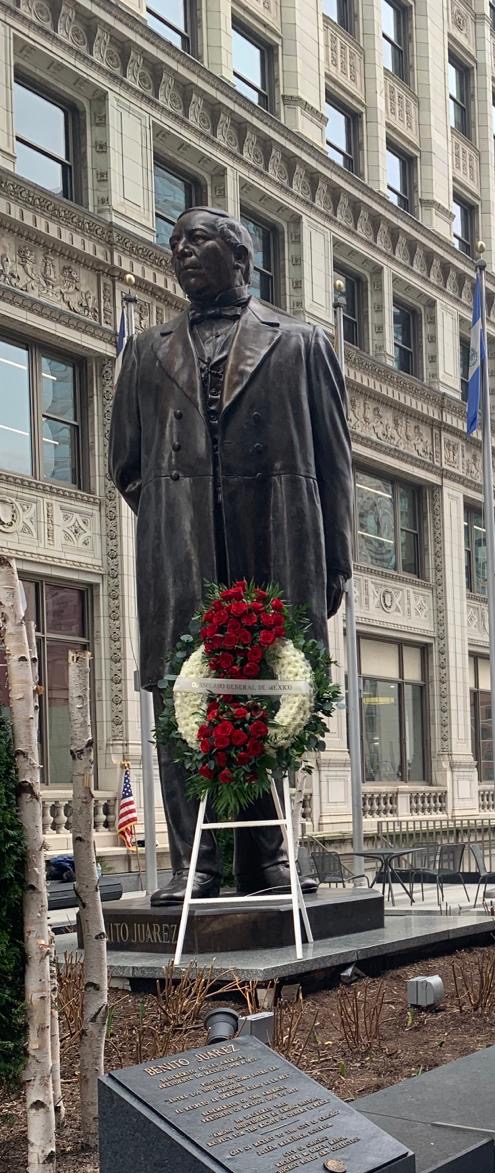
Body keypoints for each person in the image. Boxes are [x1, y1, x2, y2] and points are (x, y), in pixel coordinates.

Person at [110, 207, 353, 905]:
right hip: (181, 557)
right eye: (175, 243)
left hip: (273, 543)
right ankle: (196, 868)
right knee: (181, 701)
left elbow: (335, 464)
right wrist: (176, 512)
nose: (180, 252)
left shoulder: (300, 343)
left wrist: (335, 556)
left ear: (239, 255)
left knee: (273, 694)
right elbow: (126, 463)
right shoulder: (149, 352)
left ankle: (269, 859)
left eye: (197, 240)